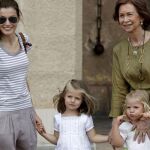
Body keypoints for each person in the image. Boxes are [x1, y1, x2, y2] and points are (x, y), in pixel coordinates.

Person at [0, 0, 43, 149]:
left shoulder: (24, 39)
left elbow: (23, 79)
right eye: (1, 19)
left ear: (18, 18)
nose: (7, 23)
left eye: (12, 18)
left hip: (26, 112)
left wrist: (33, 112)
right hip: (3, 114)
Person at [109, 0, 150, 143]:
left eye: (129, 14)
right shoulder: (118, 50)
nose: (125, 20)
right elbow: (119, 89)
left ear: (142, 17)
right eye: (121, 15)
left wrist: (148, 118)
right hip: (133, 113)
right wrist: (115, 124)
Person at [37, 79, 108, 150]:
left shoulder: (85, 118)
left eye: (77, 98)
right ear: (64, 96)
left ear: (82, 100)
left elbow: (93, 137)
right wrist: (43, 134)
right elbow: (57, 140)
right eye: (69, 96)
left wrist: (109, 138)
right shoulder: (58, 118)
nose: (72, 100)